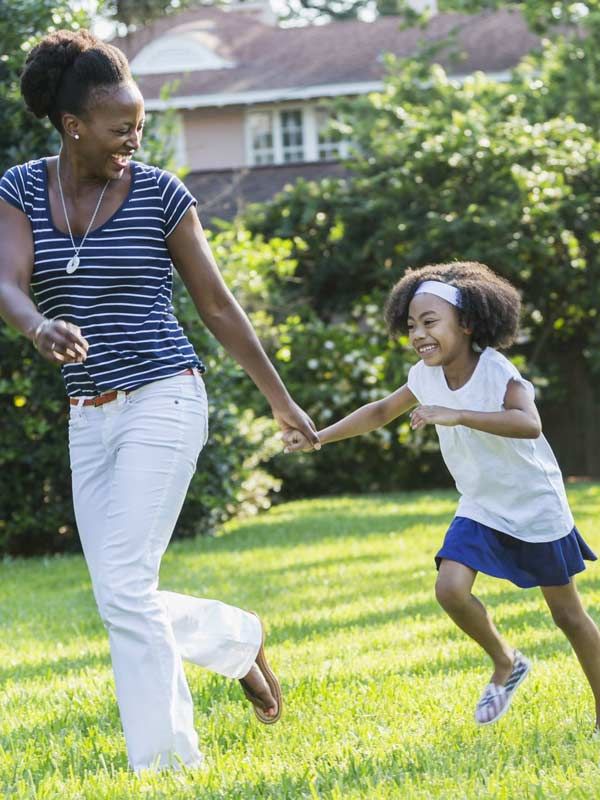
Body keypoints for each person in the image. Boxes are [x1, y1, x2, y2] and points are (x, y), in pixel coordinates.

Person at [0, 29, 320, 773]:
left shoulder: (159, 194)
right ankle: (233, 637)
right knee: (120, 593)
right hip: (89, 414)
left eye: (139, 126)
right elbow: (8, 283)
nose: (133, 140)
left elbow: (217, 305)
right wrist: (38, 325)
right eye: (121, 128)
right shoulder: (20, 188)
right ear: (73, 125)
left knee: (126, 593)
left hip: (164, 398)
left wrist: (279, 399)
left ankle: (168, 767)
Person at [285, 261, 600, 729]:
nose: (418, 334)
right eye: (412, 325)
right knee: (450, 590)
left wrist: (456, 414)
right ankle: (506, 660)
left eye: (430, 323)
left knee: (569, 617)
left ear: (467, 323)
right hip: (480, 504)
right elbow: (380, 411)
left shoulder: (498, 372)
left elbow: (528, 423)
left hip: (533, 505)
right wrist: (318, 437)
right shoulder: (424, 376)